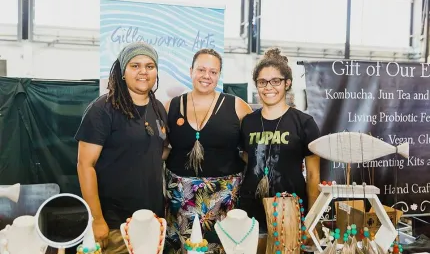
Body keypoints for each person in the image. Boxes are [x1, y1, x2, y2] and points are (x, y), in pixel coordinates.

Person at [74, 42, 168, 254]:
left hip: (151, 221)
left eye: (150, 66)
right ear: (123, 71)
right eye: (135, 65)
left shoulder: (158, 107)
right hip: (115, 224)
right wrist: (97, 220)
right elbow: (84, 165)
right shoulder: (102, 109)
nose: (143, 71)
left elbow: (156, 152)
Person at [163, 48, 252, 254]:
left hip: (223, 198)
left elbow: (252, 151)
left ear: (219, 75)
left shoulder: (238, 106)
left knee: (222, 247)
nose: (206, 76)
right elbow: (162, 149)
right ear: (191, 70)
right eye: (201, 69)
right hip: (180, 197)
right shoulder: (171, 106)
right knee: (182, 249)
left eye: (213, 71)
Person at [238, 48, 321, 234]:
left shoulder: (304, 123)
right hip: (251, 208)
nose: (268, 87)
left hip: (290, 208)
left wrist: (312, 217)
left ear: (287, 83)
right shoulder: (248, 122)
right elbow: (246, 158)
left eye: (276, 81)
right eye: (262, 82)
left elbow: (314, 175)